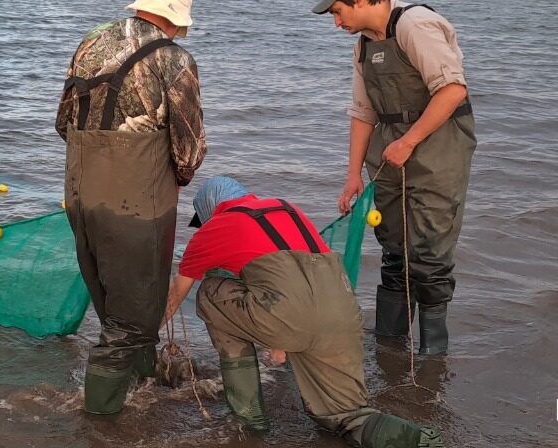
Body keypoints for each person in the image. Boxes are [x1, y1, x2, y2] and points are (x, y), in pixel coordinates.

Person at [162, 176, 444, 447]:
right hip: (343, 312)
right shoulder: (286, 208)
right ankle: (423, 441)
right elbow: (288, 281)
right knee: (347, 417)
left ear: (211, 208)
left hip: (288, 315)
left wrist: (146, 333)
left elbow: (177, 294)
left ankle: (249, 419)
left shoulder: (216, 227)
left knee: (210, 292)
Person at [55, 0, 206, 414]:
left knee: (113, 303)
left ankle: (142, 386)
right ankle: (98, 421)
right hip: (136, 202)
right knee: (132, 320)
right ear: (176, 21)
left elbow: (62, 122)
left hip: (80, 192)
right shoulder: (175, 59)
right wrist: (177, 174)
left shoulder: (89, 42)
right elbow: (190, 147)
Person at [312, 0, 476, 355]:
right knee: (394, 247)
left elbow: (452, 90)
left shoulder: (415, 24)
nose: (336, 23)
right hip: (388, 148)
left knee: (429, 253)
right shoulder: (364, 44)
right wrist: (353, 175)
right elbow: (362, 112)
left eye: (336, 12)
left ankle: (432, 357)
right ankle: (390, 348)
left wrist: (410, 141)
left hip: (438, 146)